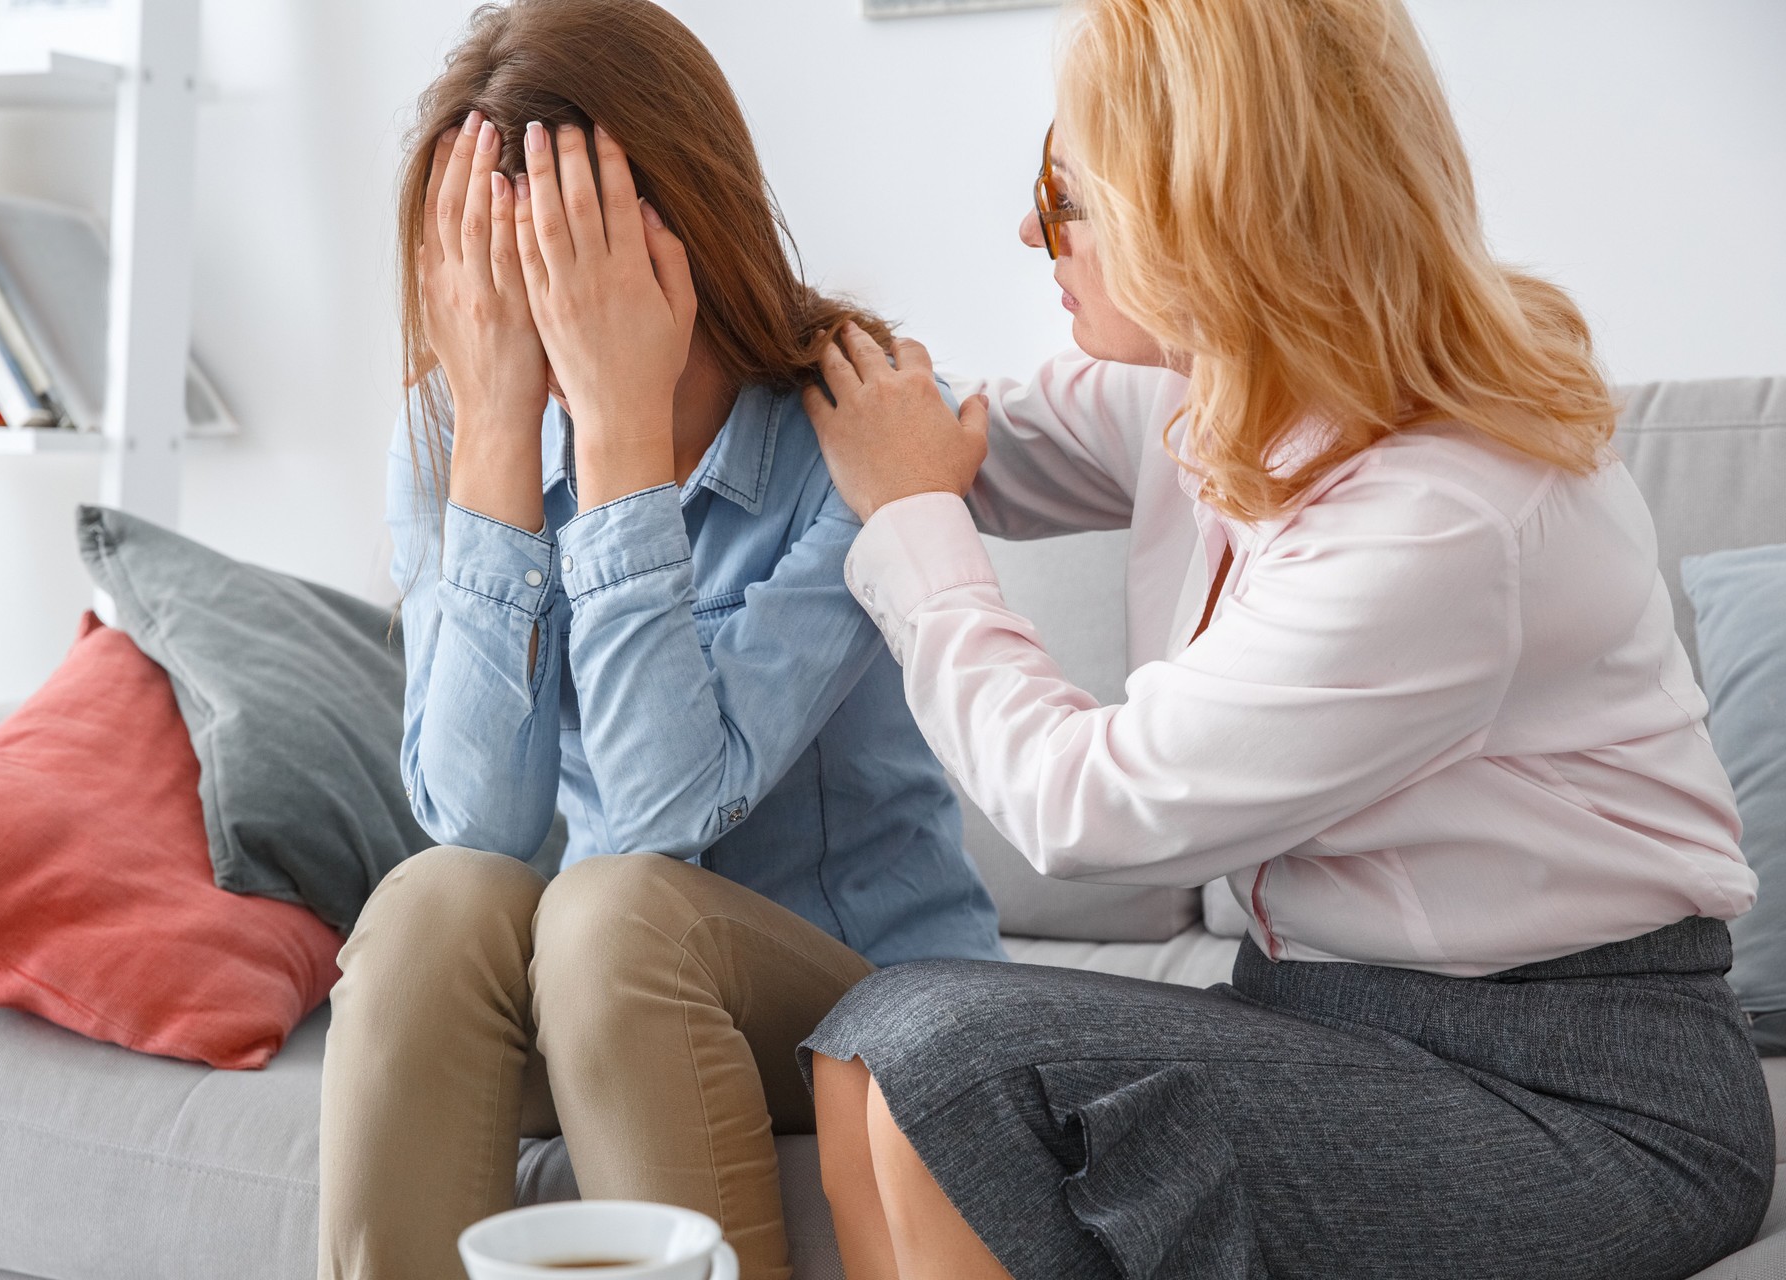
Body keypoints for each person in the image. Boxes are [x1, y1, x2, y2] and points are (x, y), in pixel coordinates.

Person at [797, 0, 1772, 1277]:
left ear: (1205, 200)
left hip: (1583, 1092)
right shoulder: (1217, 388)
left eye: (1066, 187)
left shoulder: (1444, 514)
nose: (1031, 227)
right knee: (864, 1049)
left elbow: (1082, 803)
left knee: (942, 1053)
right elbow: (962, 435)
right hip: (1336, 1023)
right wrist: (739, 338)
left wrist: (916, 517)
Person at [317, 4, 1002, 1279]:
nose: (530, 296)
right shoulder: (461, 433)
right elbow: (476, 818)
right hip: (591, 1005)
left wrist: (621, 432)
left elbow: (657, 812)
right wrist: (495, 447)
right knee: (429, 903)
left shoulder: (848, 433)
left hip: (853, 1001)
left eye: (569, 247)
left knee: (613, 911)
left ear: (680, 225)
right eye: (491, 255)